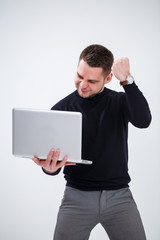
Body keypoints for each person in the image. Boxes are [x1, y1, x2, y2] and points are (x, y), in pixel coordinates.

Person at [32, 44, 152, 240]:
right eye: (80, 76)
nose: (83, 85)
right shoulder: (61, 108)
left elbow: (143, 121)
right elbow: (51, 165)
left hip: (119, 197)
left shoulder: (120, 101)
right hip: (76, 197)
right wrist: (49, 168)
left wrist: (127, 80)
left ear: (108, 78)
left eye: (92, 81)